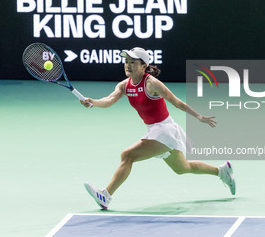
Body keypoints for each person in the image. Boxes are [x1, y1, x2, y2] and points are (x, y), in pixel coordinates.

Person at [81, 47, 235, 210]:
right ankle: (222, 172)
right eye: (126, 62)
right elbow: (109, 100)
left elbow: (176, 102)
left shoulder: (152, 83)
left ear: (143, 66)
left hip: (165, 130)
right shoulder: (124, 85)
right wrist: (94, 102)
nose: (128, 65)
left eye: (133, 62)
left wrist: (198, 117)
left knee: (127, 155)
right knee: (182, 168)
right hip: (153, 130)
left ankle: (106, 195)